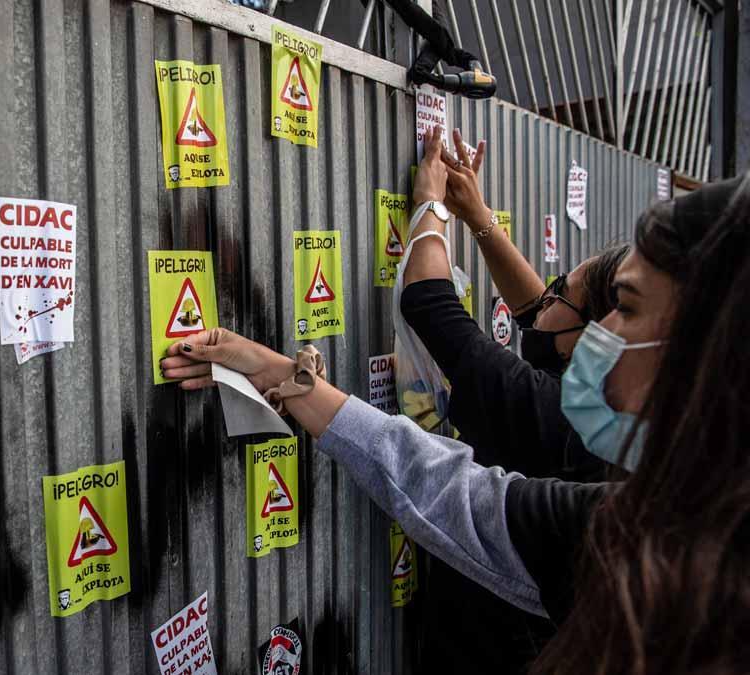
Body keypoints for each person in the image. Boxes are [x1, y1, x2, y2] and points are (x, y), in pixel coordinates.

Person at [160, 159, 750, 672]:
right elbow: (536, 328)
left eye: (625, 306)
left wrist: (433, 210)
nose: (606, 331)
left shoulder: (588, 462)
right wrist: (281, 377)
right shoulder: (646, 520)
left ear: (710, 349)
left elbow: (437, 321)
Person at [400, 129, 628, 672]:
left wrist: (430, 208)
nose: (542, 294)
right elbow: (537, 313)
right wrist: (477, 215)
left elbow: (428, 301)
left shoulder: (554, 416)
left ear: (593, 336)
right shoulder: (609, 407)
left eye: (561, 290)